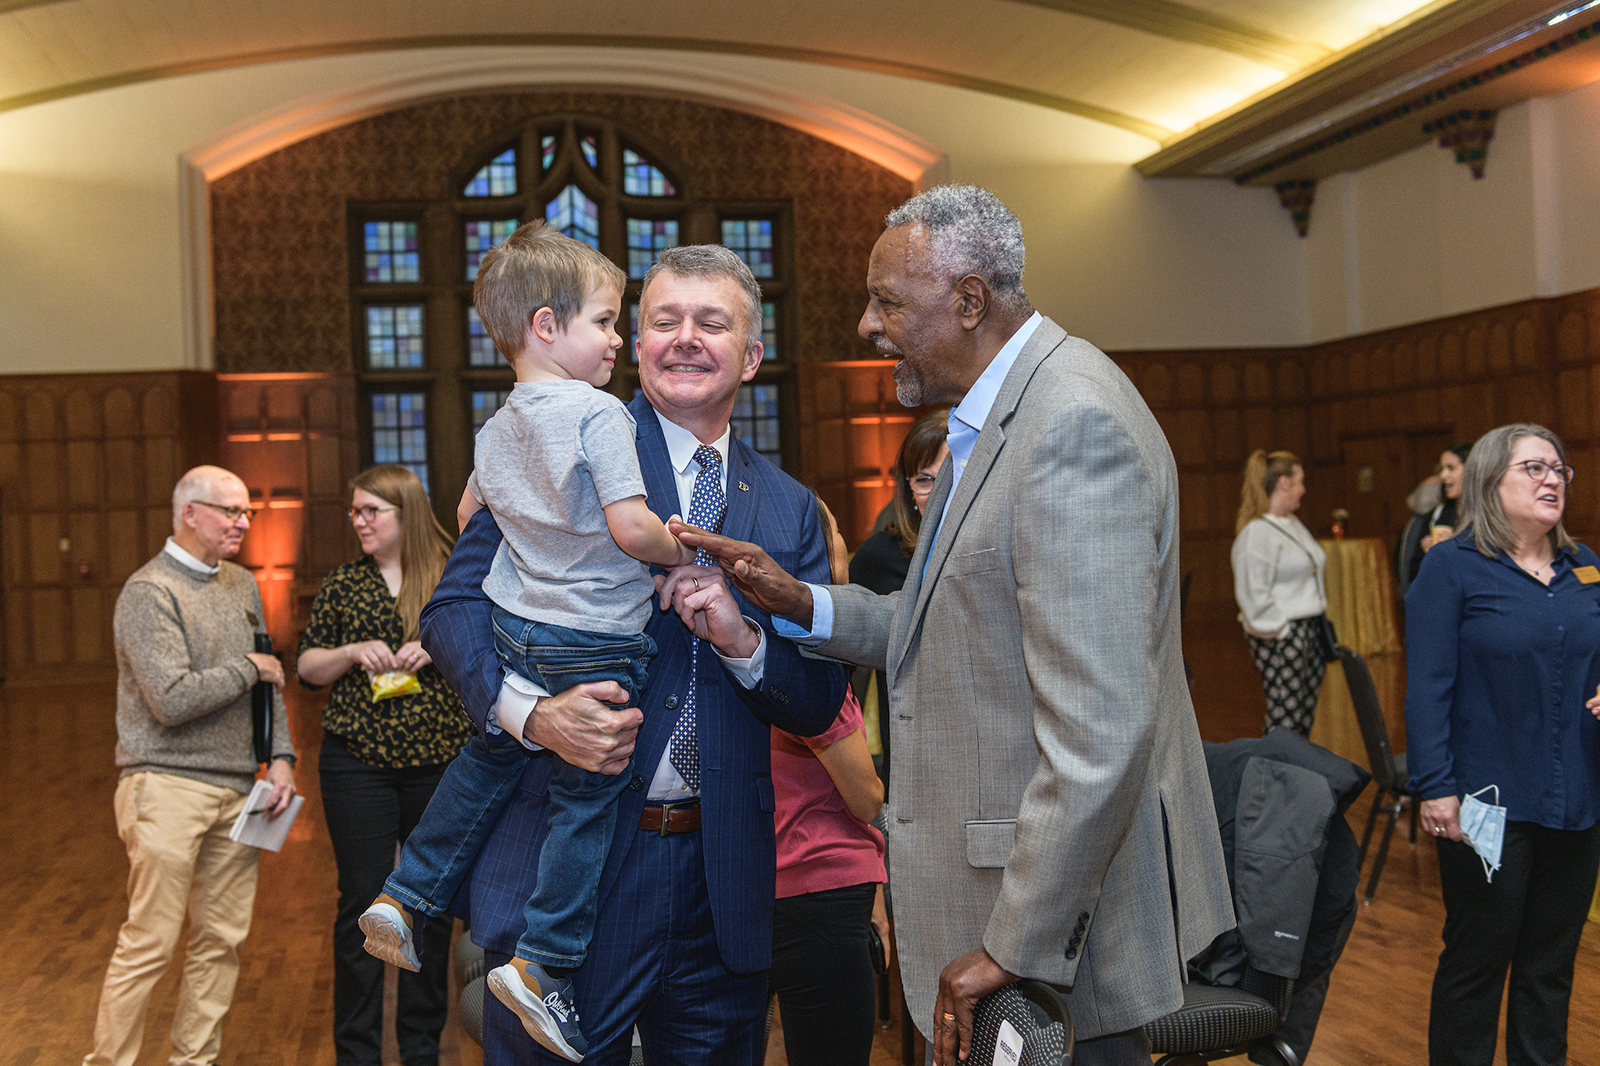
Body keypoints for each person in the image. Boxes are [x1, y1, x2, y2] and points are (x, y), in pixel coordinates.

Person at [677, 185, 1233, 1066]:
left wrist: (1013, 946)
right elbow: (955, 623)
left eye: (888, 302)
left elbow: (1100, 733)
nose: (867, 324)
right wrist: (800, 600)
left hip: (1047, 931)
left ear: (970, 300)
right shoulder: (993, 422)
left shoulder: (1069, 425)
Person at [418, 242, 847, 1065]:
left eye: (711, 323)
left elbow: (821, 701)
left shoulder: (790, 510)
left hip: (720, 885)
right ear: (635, 346)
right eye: (663, 321)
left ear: (752, 357)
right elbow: (452, 609)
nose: (685, 338)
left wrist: (745, 642)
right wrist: (534, 716)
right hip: (570, 874)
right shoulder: (562, 438)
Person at [356, 223, 695, 1061]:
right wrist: (681, 546)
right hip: (593, 645)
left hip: (522, 629)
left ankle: (405, 895)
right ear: (548, 325)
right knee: (589, 796)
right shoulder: (601, 415)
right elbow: (626, 525)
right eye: (611, 322)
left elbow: (473, 512)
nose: (620, 339)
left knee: (480, 768)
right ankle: (543, 962)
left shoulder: (499, 421)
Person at [83, 465, 297, 1066]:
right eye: (229, 511)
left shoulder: (241, 584)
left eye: (246, 512)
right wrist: (247, 668)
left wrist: (280, 757)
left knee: (219, 944)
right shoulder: (149, 591)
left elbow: (270, 681)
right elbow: (171, 700)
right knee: (149, 944)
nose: (242, 522)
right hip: (165, 783)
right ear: (189, 513)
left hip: (240, 789)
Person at [1406, 423, 1600, 1066]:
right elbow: (1427, 686)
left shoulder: (1586, 567)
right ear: (1491, 481)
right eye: (1535, 469)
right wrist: (1435, 787)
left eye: (1559, 470)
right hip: (1485, 802)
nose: (1553, 480)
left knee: (1549, 967)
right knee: (1479, 961)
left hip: (1576, 798)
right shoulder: (1452, 567)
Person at [295, 465, 467, 1066]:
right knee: (361, 906)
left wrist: (444, 646)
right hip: (356, 764)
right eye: (355, 512)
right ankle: (357, 1053)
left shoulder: (451, 573)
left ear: (406, 514)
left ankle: (421, 1048)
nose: (360, 522)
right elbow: (306, 668)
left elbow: (494, 647)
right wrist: (346, 652)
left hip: (439, 761)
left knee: (429, 906)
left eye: (372, 511)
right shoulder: (345, 584)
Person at [769, 495, 889, 1066]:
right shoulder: (810, 667)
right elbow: (864, 798)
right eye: (838, 532)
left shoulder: (740, 646)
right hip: (823, 887)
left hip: (753, 887)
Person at [847, 407, 949, 776]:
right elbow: (841, 669)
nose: (940, 494)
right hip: (910, 759)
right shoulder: (880, 555)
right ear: (907, 487)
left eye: (954, 477)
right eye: (925, 480)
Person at [1230, 449, 1329, 736]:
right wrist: (1281, 631)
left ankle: (1295, 776)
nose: (1303, 490)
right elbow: (1253, 593)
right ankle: (1272, 777)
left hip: (1308, 630)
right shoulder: (1257, 533)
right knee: (1284, 718)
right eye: (1299, 482)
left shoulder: (1292, 524)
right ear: (1283, 483)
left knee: (1302, 719)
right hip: (1281, 635)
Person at [1395, 442, 1473, 601]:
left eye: (1450, 468)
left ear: (1472, 470)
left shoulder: (1491, 515)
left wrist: (1456, 548)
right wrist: (1430, 555)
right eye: (1442, 469)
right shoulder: (1436, 516)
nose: (1443, 476)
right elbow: (1411, 572)